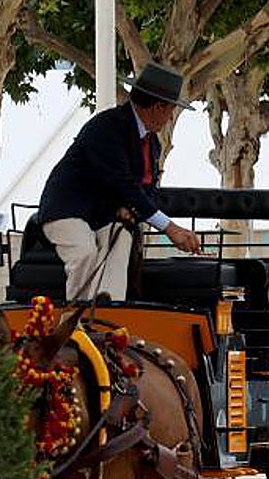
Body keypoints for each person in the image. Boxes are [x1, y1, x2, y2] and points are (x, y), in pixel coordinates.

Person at [38, 62, 202, 301]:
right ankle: (76, 323)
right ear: (159, 106)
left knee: (121, 239)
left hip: (104, 215)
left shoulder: (152, 143)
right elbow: (122, 183)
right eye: (171, 110)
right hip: (67, 210)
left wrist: (133, 211)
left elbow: (147, 190)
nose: (170, 118)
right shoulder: (107, 126)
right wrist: (170, 228)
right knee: (84, 252)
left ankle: (109, 312)